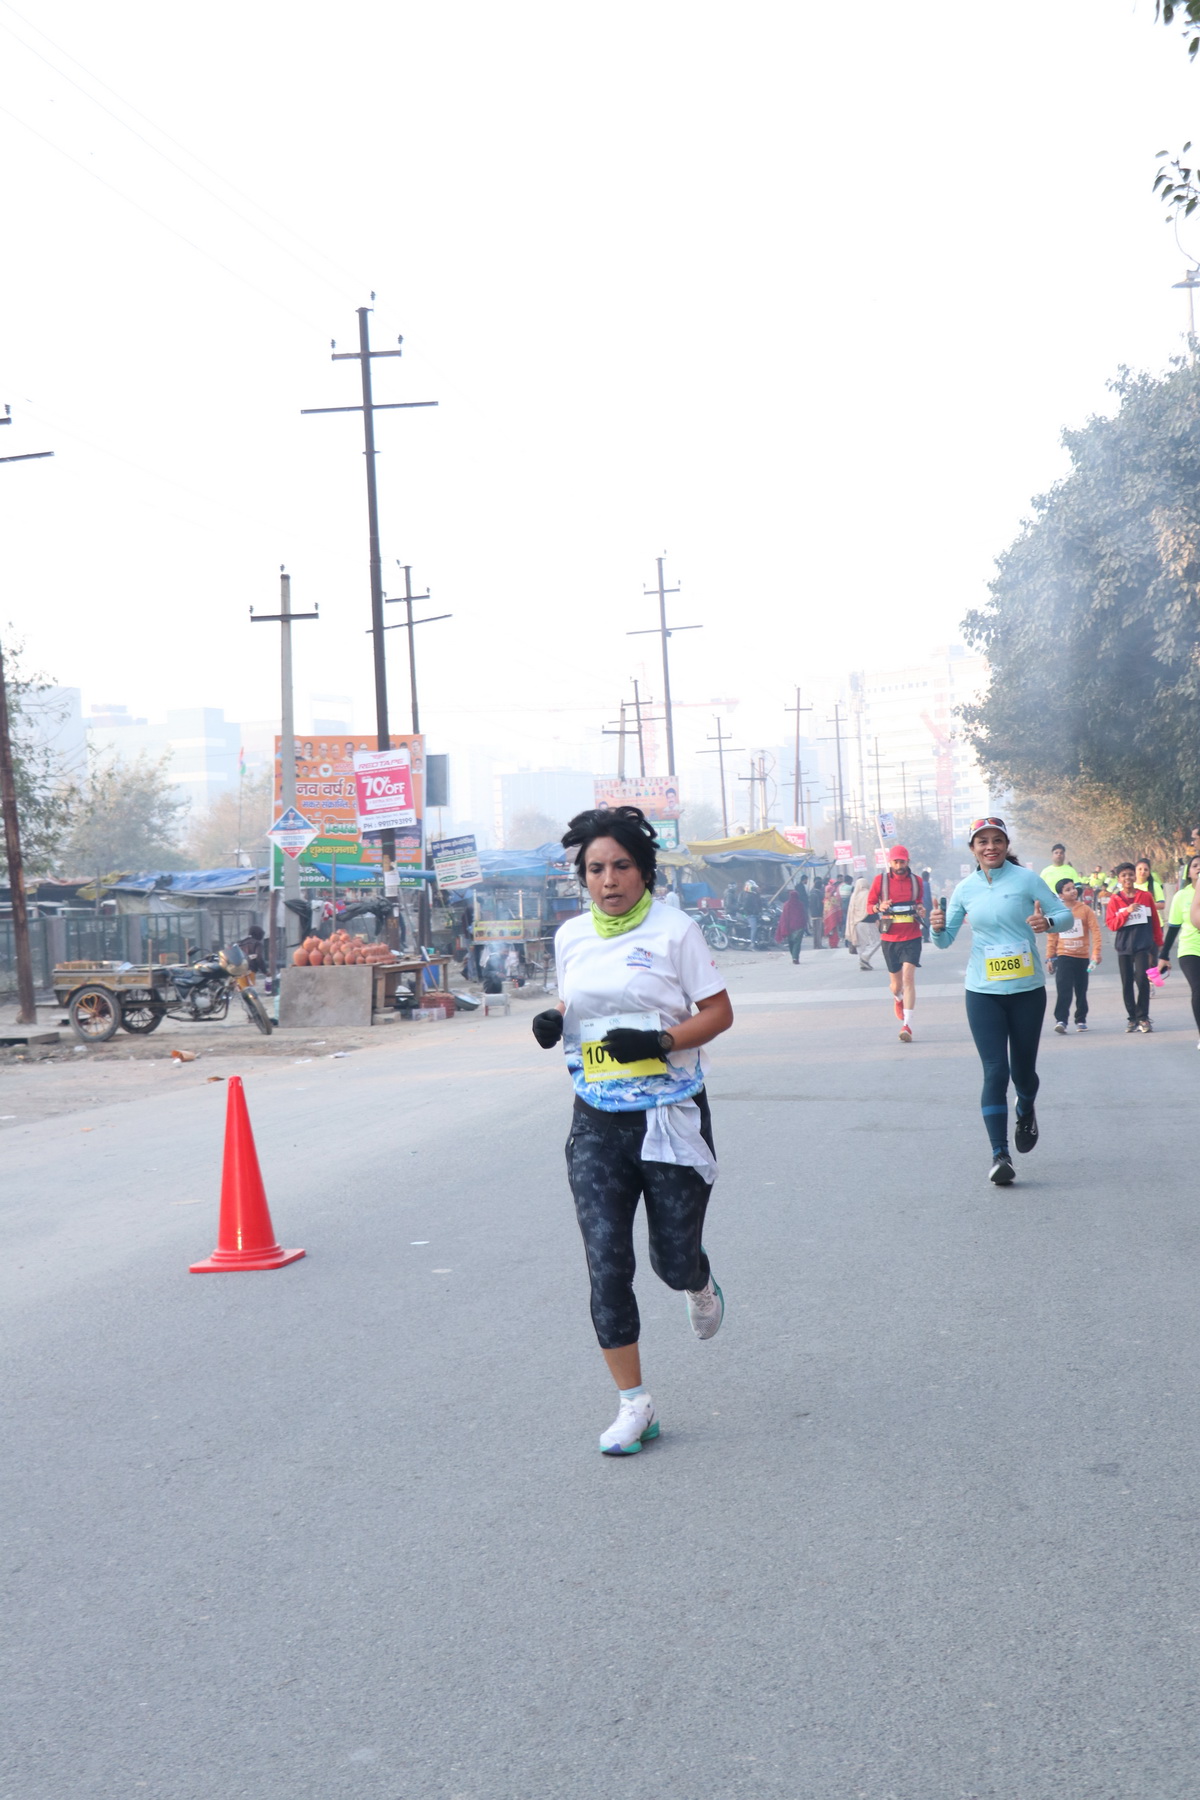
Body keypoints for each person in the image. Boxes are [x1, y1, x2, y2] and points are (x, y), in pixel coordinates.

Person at [532, 806, 733, 1456]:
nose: (608, 880)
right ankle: (634, 1405)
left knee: (670, 1262)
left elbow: (719, 1012)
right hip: (595, 1119)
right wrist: (551, 1021)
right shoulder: (570, 937)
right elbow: (575, 1003)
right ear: (583, 877)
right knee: (607, 1265)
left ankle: (697, 1280)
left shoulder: (676, 931)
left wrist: (662, 1041)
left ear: (644, 871)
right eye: (595, 869)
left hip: (669, 1117)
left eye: (621, 866)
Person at [931, 817, 1073, 1186]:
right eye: (983, 842)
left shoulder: (1026, 879)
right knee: (995, 1071)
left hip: (1027, 991)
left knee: (1023, 1073)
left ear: (1006, 845)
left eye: (997, 840)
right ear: (973, 849)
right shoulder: (965, 889)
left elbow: (1065, 915)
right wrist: (935, 927)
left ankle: (1025, 1107)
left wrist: (1048, 924)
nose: (990, 847)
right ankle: (999, 1154)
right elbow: (944, 940)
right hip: (983, 992)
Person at [867, 845, 925, 1043]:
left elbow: (919, 902)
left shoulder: (916, 881)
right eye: (896, 862)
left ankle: (907, 1025)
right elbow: (869, 906)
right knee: (896, 985)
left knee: (909, 978)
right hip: (890, 938)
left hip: (912, 936)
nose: (899, 865)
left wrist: (921, 909)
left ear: (908, 861)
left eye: (902, 861)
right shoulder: (880, 881)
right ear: (890, 862)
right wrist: (879, 906)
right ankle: (897, 998)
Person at [1106, 863, 1164, 1033]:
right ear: (1119, 879)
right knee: (1127, 983)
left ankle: (1143, 1017)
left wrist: (1158, 943)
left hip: (1142, 946)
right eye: (1124, 875)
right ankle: (1132, 1018)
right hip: (1123, 947)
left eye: (1130, 874)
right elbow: (1112, 924)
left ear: (1135, 876)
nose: (1128, 878)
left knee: (1142, 980)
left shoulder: (1145, 897)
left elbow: (1154, 921)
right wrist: (1127, 912)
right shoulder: (1115, 900)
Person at [1045, 878, 1101, 1033]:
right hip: (1063, 956)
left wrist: (1096, 952)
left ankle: (1081, 1019)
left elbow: (1095, 931)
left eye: (1073, 888)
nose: (1073, 891)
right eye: (1068, 889)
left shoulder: (1085, 910)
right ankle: (1061, 1020)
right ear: (1060, 895)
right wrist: (1050, 957)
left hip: (1082, 957)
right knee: (1064, 988)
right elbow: (1052, 936)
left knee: (1081, 990)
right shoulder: (1057, 913)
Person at [1159, 853, 1200, 1048]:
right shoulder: (1181, 896)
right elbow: (1174, 927)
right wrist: (1163, 955)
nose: (1199, 868)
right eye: (1195, 865)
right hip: (1190, 949)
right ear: (1189, 873)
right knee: (1198, 989)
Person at [775, 881, 809, 963]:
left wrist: (783, 926)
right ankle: (795, 957)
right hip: (799, 927)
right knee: (797, 943)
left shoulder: (787, 905)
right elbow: (803, 915)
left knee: (791, 942)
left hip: (790, 927)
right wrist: (805, 924)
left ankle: (794, 956)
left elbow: (784, 916)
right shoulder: (800, 904)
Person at [822, 877, 843, 949]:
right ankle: (833, 944)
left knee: (832, 930)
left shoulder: (826, 900)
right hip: (833, 918)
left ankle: (833, 944)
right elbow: (838, 908)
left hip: (829, 918)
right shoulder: (832, 899)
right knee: (833, 930)